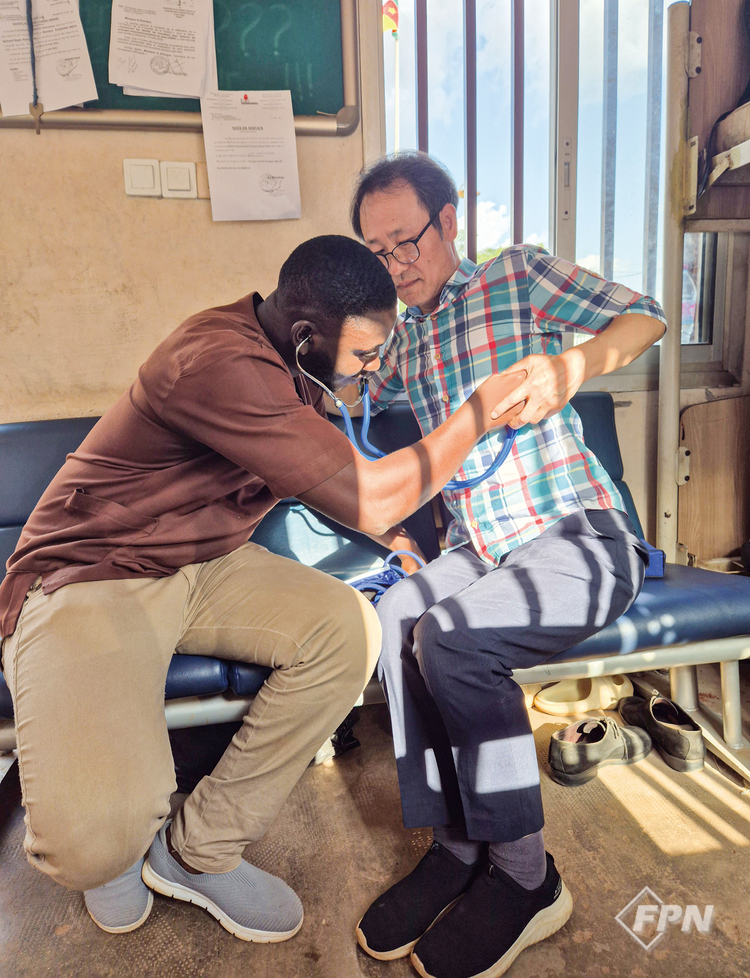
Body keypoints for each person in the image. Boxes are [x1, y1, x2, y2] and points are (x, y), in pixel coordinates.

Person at [0, 235, 520, 944]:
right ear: (307, 337)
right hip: (95, 571)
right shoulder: (218, 363)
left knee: (348, 630)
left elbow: (329, 480)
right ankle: (113, 848)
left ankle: (198, 850)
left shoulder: (294, 365)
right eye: (365, 355)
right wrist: (480, 411)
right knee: (92, 845)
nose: (373, 371)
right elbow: (369, 498)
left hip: (203, 562)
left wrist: (400, 541)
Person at [349, 153, 667, 978]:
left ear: (450, 221)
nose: (396, 265)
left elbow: (647, 317)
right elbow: (354, 401)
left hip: (578, 533)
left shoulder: (516, 277)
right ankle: (458, 847)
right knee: (398, 614)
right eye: (377, 254)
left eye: (407, 241)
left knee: (451, 639)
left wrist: (572, 368)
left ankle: (528, 879)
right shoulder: (405, 343)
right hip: (483, 551)